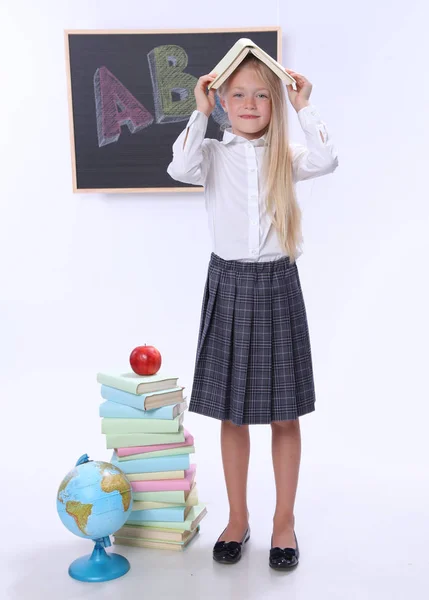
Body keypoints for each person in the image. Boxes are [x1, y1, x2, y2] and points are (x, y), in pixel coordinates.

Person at [167, 53, 338, 569]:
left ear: (274, 102)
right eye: (237, 94)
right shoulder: (213, 155)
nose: (248, 103)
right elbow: (178, 166)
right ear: (221, 100)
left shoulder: (287, 152)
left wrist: (303, 106)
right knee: (232, 412)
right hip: (230, 283)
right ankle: (237, 519)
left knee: (285, 414)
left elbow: (328, 159)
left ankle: (282, 522)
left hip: (277, 283)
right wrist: (198, 112)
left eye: (261, 94)